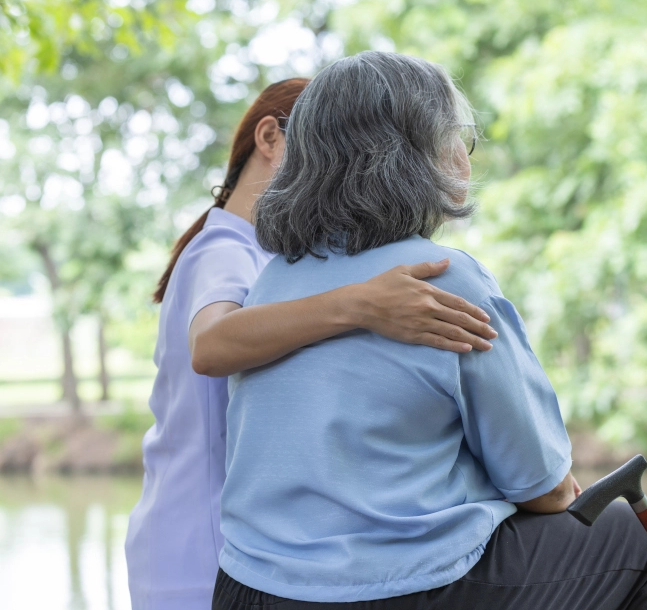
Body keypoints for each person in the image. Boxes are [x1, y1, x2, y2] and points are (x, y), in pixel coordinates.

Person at [213, 52, 647, 610]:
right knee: (629, 538)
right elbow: (544, 487)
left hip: (248, 587)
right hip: (390, 591)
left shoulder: (272, 282)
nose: (464, 153)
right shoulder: (442, 278)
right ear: (417, 155)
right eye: (458, 136)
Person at [125, 78, 499, 610]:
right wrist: (361, 304)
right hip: (201, 549)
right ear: (269, 138)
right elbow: (210, 347)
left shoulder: (283, 263)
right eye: (318, 147)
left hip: (248, 548)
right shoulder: (224, 249)